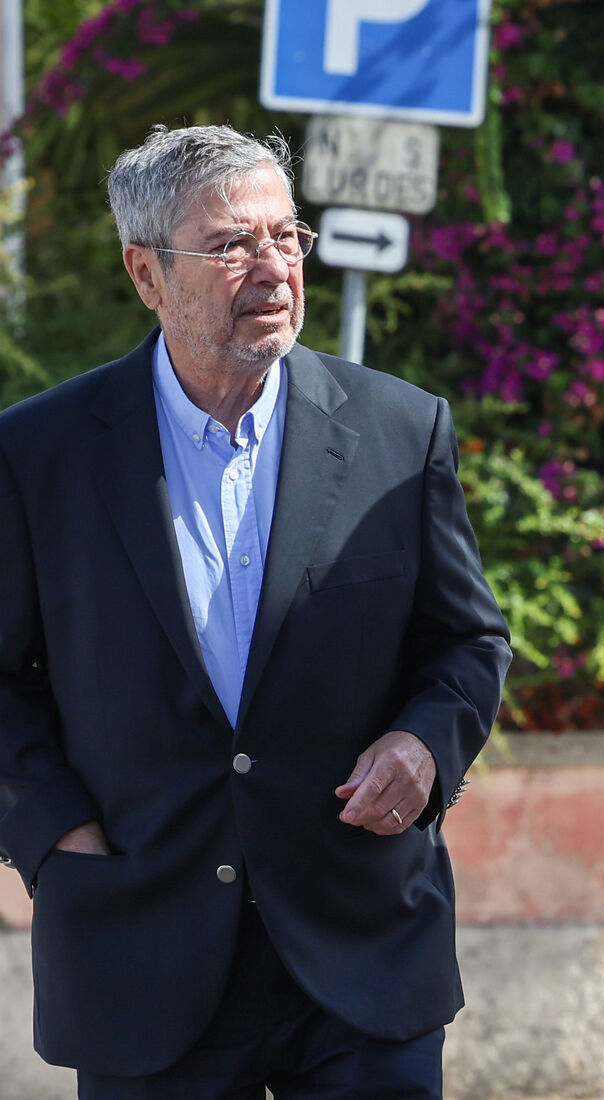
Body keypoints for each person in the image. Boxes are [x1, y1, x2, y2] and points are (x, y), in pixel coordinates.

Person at [0, 124, 510, 1099]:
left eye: (287, 236)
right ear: (145, 273)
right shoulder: (39, 454)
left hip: (359, 940)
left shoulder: (400, 430)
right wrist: (54, 834)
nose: (272, 265)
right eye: (232, 244)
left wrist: (423, 744)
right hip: (141, 949)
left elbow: (466, 639)